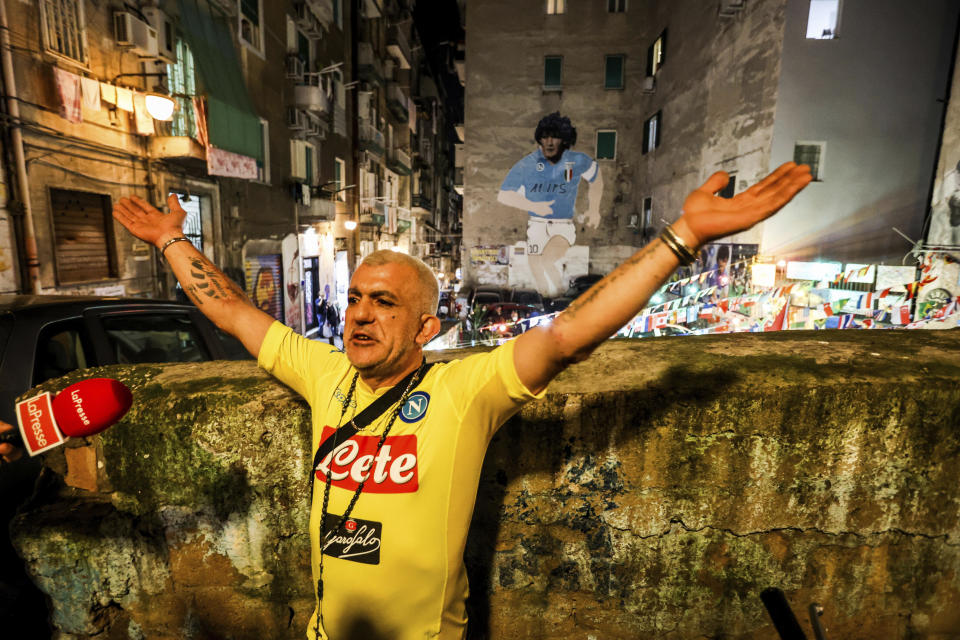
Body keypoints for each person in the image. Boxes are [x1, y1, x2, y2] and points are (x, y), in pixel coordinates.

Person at [0, 161, 812, 639]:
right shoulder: (324, 374)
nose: (358, 312)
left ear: (426, 324)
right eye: (355, 297)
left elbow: (571, 332)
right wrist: (174, 240)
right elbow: (227, 309)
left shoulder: (466, 388)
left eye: (383, 302)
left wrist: (685, 237)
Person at [498, 112, 604, 296]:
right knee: (535, 266)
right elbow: (504, 195)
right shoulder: (528, 164)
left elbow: (596, 178)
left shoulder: (577, 160)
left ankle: (560, 297)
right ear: (539, 139)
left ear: (564, 140)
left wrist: (594, 210)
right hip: (536, 224)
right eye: (544, 137)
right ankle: (547, 301)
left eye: (554, 137)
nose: (549, 141)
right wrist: (534, 206)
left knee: (547, 260)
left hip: (562, 226)